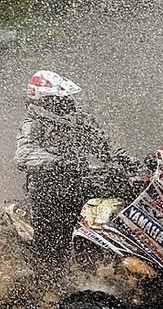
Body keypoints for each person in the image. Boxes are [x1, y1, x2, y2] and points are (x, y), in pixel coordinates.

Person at [13, 70, 132, 252]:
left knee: (122, 187)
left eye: (67, 98)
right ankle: (52, 267)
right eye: (60, 100)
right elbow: (24, 154)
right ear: (45, 101)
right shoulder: (33, 124)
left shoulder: (80, 120)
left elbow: (105, 148)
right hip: (50, 186)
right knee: (55, 241)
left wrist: (127, 160)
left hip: (80, 179)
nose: (67, 103)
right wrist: (56, 162)